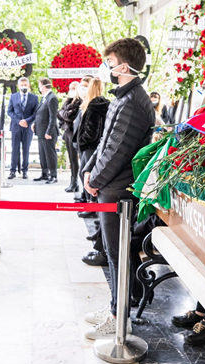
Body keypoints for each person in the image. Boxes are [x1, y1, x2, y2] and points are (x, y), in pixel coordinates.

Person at [82, 38, 155, 340]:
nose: (106, 67)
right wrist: (89, 170)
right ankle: (115, 306)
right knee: (114, 253)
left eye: (109, 62)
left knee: (118, 254)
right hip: (110, 185)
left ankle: (119, 316)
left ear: (123, 66)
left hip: (118, 190)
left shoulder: (134, 101)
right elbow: (104, 142)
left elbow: (117, 151)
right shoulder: (124, 97)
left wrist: (95, 179)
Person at [75, 78, 109, 220]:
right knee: (89, 174)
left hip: (90, 146)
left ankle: (92, 206)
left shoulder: (93, 106)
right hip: (98, 145)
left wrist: (82, 141)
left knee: (86, 174)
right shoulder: (105, 104)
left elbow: (91, 130)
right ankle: (92, 205)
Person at [7, 77, 38, 179]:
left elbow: (36, 112)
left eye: (25, 85)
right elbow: (9, 111)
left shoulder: (34, 98)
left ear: (28, 86)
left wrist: (27, 121)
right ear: (18, 86)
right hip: (16, 126)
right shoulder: (13, 97)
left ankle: (25, 171)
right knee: (14, 149)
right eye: (22, 85)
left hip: (28, 127)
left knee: (26, 149)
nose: (23, 86)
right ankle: (12, 171)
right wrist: (18, 121)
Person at [32, 77, 59, 184]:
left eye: (39, 86)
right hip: (40, 131)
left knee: (50, 154)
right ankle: (44, 173)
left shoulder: (52, 98)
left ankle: (53, 175)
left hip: (48, 132)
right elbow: (40, 113)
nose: (39, 88)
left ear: (43, 87)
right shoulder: (44, 98)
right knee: (42, 154)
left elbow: (53, 117)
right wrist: (35, 123)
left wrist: (49, 132)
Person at [57, 81, 83, 192]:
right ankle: (73, 182)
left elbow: (69, 115)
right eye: (70, 88)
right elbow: (59, 113)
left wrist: (64, 114)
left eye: (73, 88)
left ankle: (76, 182)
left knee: (75, 158)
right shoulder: (68, 101)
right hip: (67, 131)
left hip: (74, 132)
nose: (71, 90)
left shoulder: (79, 101)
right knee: (72, 158)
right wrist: (64, 114)